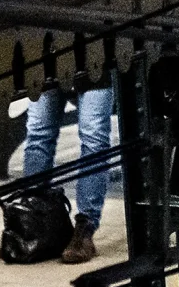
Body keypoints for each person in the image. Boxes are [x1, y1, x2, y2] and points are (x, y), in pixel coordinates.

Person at [14, 80, 117, 263]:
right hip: (48, 60)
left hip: (97, 61)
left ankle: (85, 227)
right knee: (39, 135)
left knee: (93, 139)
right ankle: (32, 221)